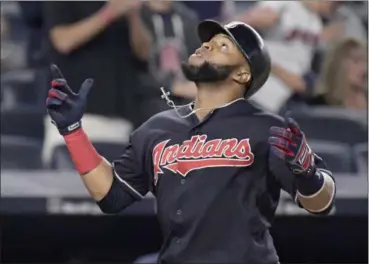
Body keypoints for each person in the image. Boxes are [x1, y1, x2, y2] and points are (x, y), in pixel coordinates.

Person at [45, 20, 336, 264]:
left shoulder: (268, 127)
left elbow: (322, 204)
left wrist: (308, 175)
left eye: (223, 46)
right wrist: (72, 131)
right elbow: (111, 196)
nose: (207, 45)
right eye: (208, 42)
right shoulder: (158, 128)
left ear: (242, 73)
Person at [42, 0, 152, 166]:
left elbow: (144, 53)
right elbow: (63, 41)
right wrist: (109, 13)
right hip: (75, 116)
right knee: (68, 187)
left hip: (120, 116)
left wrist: (133, 16)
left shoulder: (129, 5)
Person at [232, 1, 342, 113]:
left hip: (285, 101)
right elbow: (240, 29)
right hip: (259, 92)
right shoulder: (283, 4)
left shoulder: (315, 23)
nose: (334, 6)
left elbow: (303, 76)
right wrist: (255, 19)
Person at [135, 0, 201, 124]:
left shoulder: (188, 18)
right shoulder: (136, 16)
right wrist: (171, 87)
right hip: (145, 105)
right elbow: (131, 70)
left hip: (186, 105)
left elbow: (198, 61)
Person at [309, 38, 367, 110]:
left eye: (365, 62)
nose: (364, 68)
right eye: (356, 61)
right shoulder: (319, 106)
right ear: (339, 66)